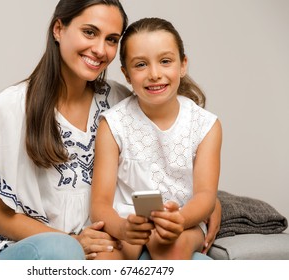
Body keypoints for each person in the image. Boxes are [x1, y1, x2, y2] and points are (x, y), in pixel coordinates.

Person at [0, 0, 220, 260]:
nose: (100, 49)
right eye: (89, 32)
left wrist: (208, 203)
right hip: (33, 247)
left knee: (196, 262)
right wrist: (73, 241)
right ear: (58, 29)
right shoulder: (10, 107)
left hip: (104, 244)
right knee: (62, 251)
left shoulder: (120, 101)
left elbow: (167, 162)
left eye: (111, 39)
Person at [90, 17, 222, 260]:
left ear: (182, 65)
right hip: (126, 220)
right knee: (104, 257)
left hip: (182, 220)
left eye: (165, 61)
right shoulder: (113, 124)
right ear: (127, 74)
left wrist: (179, 219)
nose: (154, 74)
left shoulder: (205, 125)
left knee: (167, 243)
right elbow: (100, 203)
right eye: (140, 65)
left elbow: (205, 195)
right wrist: (123, 228)